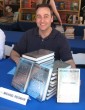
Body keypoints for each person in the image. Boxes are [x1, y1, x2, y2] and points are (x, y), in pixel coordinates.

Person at [10, 4, 75, 68]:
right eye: (39, 16)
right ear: (35, 19)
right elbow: (14, 52)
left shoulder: (61, 39)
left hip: (51, 75)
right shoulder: (28, 35)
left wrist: (71, 75)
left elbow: (69, 61)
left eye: (46, 16)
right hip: (30, 73)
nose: (42, 20)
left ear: (51, 19)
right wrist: (19, 61)